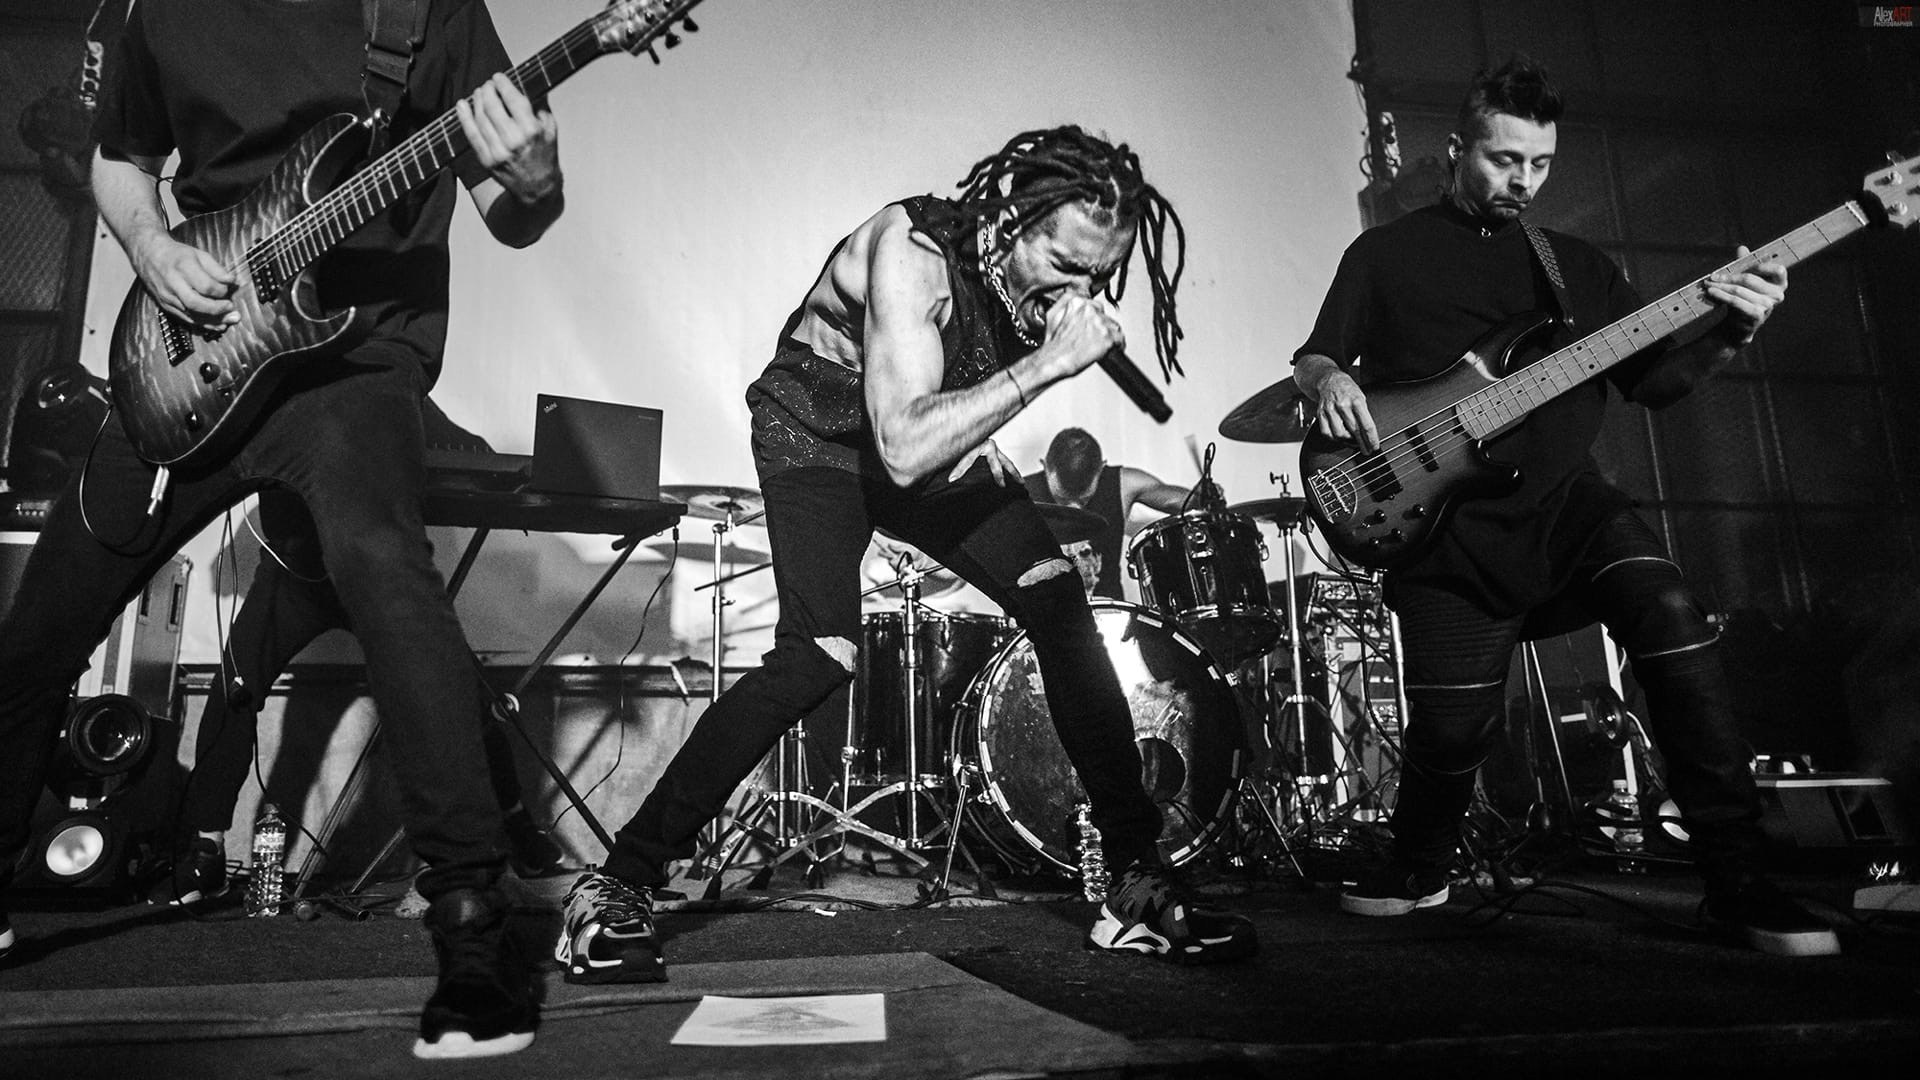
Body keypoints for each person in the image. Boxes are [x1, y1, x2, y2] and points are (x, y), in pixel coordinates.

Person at [555, 126, 1257, 984]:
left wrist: (987, 413)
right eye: (1065, 266)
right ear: (1008, 223)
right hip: (819, 439)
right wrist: (1047, 366)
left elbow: (933, 407)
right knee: (818, 656)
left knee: (1058, 599)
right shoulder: (913, 254)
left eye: (1098, 277)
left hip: (913, 441)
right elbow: (900, 449)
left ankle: (1135, 884)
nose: (1078, 293)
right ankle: (616, 883)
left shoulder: (1024, 286)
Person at [0, 0, 568, 1058]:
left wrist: (533, 179)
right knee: (36, 635)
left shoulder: (426, 8)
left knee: (387, 577)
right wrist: (153, 249)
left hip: (353, 362)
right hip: (186, 351)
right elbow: (123, 157)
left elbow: (508, 205)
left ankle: (474, 937)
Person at [1292, 57, 1838, 957]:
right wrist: (1328, 379)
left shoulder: (1574, 266)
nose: (1524, 180)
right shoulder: (1383, 255)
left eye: (1540, 163)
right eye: (1505, 160)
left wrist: (1734, 330)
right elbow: (1314, 356)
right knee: (1453, 729)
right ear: (1457, 147)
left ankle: (1739, 879)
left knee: (1672, 616)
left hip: (1567, 506)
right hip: (1447, 528)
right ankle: (1420, 859)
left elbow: (1657, 383)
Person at [148, 486, 566, 907]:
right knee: (234, 690)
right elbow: (219, 571)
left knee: (459, 691)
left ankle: (517, 827)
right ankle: (208, 849)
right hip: (293, 574)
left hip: (380, 574)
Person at [1022, 426, 1198, 600]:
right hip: (1043, 613)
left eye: (1083, 499)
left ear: (1101, 469)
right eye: (1062, 498)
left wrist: (1203, 494)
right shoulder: (1020, 495)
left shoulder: (1123, 484)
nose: (1074, 508)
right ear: (1045, 467)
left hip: (1108, 614)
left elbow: (1185, 502)